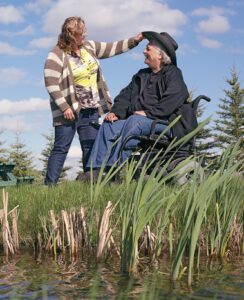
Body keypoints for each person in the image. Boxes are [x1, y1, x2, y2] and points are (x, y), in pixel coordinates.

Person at [44, 16, 143, 185]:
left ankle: (89, 184)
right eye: (82, 33)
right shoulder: (57, 53)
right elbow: (50, 82)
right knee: (61, 148)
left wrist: (134, 41)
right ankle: (49, 186)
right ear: (72, 35)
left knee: (90, 147)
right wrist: (64, 106)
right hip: (68, 111)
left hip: (90, 109)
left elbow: (112, 48)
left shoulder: (89, 47)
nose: (85, 34)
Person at [84, 31, 193, 178]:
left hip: (164, 122)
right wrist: (116, 112)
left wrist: (149, 114)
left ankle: (113, 169)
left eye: (148, 49)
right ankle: (96, 171)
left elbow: (175, 97)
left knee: (135, 121)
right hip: (136, 121)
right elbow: (124, 96)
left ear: (160, 55)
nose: (144, 51)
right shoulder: (141, 75)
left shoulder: (173, 73)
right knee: (109, 124)